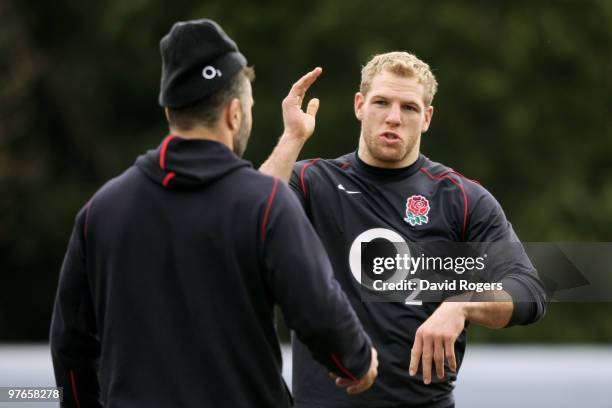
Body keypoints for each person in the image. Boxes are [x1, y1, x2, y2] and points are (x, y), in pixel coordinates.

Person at [49, 19, 378, 408]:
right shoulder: (266, 204)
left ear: (171, 110)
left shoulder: (100, 211)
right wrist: (357, 361)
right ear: (234, 114)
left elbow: (70, 346)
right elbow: (321, 315)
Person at [260, 52, 547, 407]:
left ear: (426, 118)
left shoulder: (460, 198)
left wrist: (461, 305)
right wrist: (292, 138)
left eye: (409, 108)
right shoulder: (310, 182)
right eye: (382, 102)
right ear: (360, 105)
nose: (393, 118)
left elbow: (528, 291)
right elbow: (252, 219)